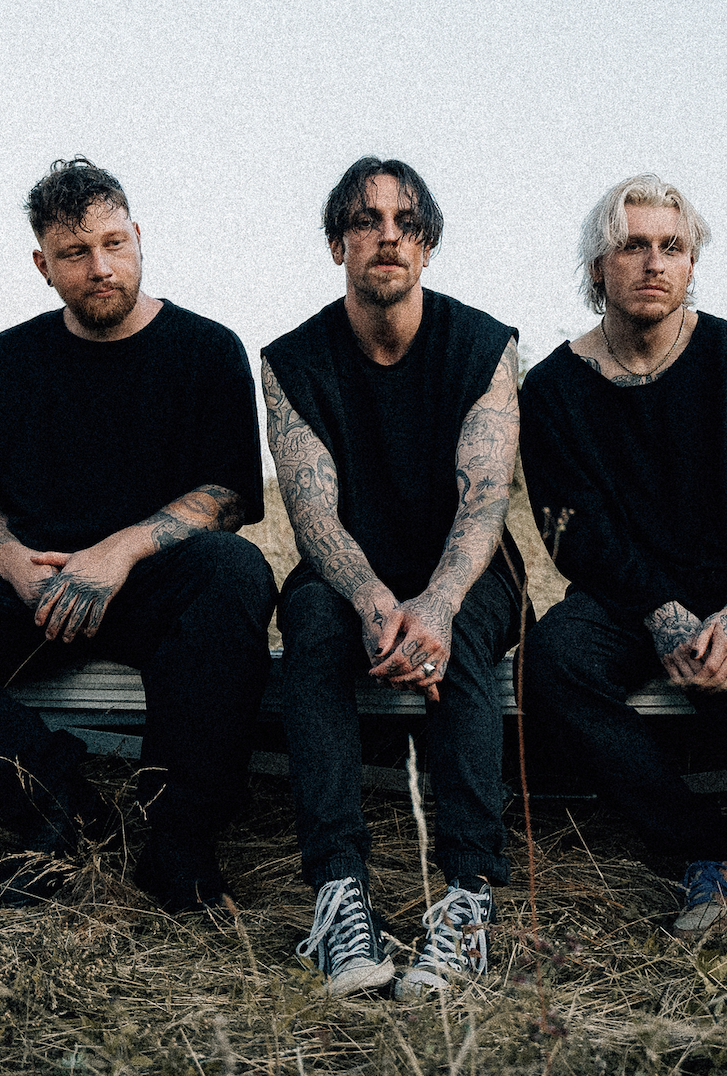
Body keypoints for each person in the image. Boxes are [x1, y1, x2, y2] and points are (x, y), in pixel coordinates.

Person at [0, 157, 276, 913]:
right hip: (31, 590)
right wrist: (12, 564)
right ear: (44, 265)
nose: (100, 267)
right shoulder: (10, 359)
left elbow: (226, 497)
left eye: (113, 243)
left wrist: (118, 552)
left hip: (151, 584)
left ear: (138, 237)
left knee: (234, 570)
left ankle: (180, 847)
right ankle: (60, 811)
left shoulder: (206, 349)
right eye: (75, 253)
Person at [520, 174, 727, 981]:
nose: (653, 262)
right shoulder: (554, 387)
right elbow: (574, 532)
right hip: (627, 596)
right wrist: (658, 610)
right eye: (633, 245)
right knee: (555, 661)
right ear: (597, 266)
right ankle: (714, 849)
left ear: (692, 263)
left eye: (671, 246)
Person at [262, 157, 523, 998]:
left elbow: (485, 502)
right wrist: (374, 598)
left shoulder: (483, 344)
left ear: (429, 244)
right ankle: (340, 895)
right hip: (351, 573)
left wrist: (437, 605)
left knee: (463, 637)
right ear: (336, 241)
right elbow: (313, 515)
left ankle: (468, 898)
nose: (387, 237)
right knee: (312, 624)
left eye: (407, 224)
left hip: (464, 569)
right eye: (366, 221)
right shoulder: (292, 360)